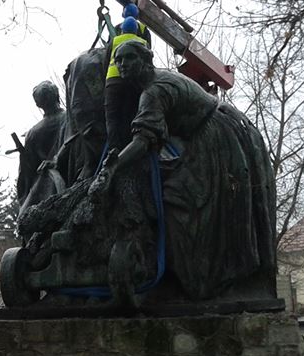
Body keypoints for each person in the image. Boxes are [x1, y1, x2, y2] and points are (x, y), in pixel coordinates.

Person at [91, 39, 276, 300]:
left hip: (214, 140)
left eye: (128, 58)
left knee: (180, 203)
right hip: (214, 131)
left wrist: (113, 167)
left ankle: (198, 282)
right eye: (118, 60)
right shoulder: (157, 81)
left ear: (146, 60)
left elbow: (143, 140)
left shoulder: (153, 91)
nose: (122, 65)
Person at [104, 15, 149, 152]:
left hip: (113, 83)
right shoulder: (142, 42)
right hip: (134, 83)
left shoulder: (115, 40)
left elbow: (105, 62)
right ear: (136, 30)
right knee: (130, 114)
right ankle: (129, 147)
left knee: (112, 118)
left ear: (122, 30)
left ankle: (113, 150)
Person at [17, 81, 66, 203]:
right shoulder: (70, 117)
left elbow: (26, 173)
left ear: (38, 104)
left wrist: (23, 199)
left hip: (44, 191)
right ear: (57, 96)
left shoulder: (33, 133)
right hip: (72, 176)